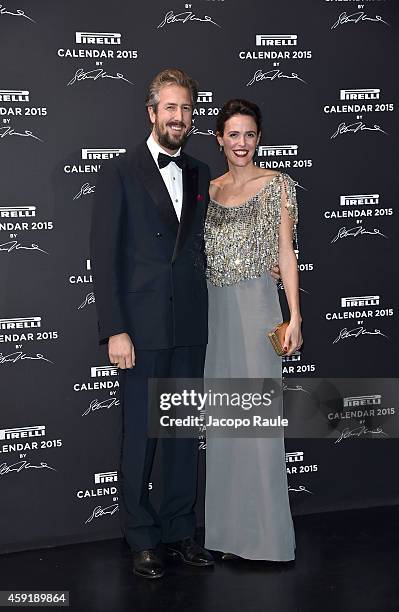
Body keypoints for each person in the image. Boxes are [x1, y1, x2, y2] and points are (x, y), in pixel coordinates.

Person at [90, 68, 214, 579]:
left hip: (188, 323)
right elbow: (104, 254)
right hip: (139, 330)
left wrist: (268, 263)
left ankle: (180, 532)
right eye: (170, 107)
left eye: (186, 108)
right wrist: (115, 329)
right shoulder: (121, 172)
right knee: (141, 435)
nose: (178, 117)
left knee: (183, 436)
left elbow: (213, 244)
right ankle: (141, 537)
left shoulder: (203, 172)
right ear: (151, 112)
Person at [203, 99, 303, 561]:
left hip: (258, 308)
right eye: (233, 134)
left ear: (258, 138)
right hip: (215, 312)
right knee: (225, 422)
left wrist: (294, 316)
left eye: (250, 134)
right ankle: (226, 536)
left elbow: (286, 254)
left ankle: (265, 540)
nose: (241, 143)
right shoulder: (211, 190)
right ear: (220, 139)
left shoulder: (277, 185)